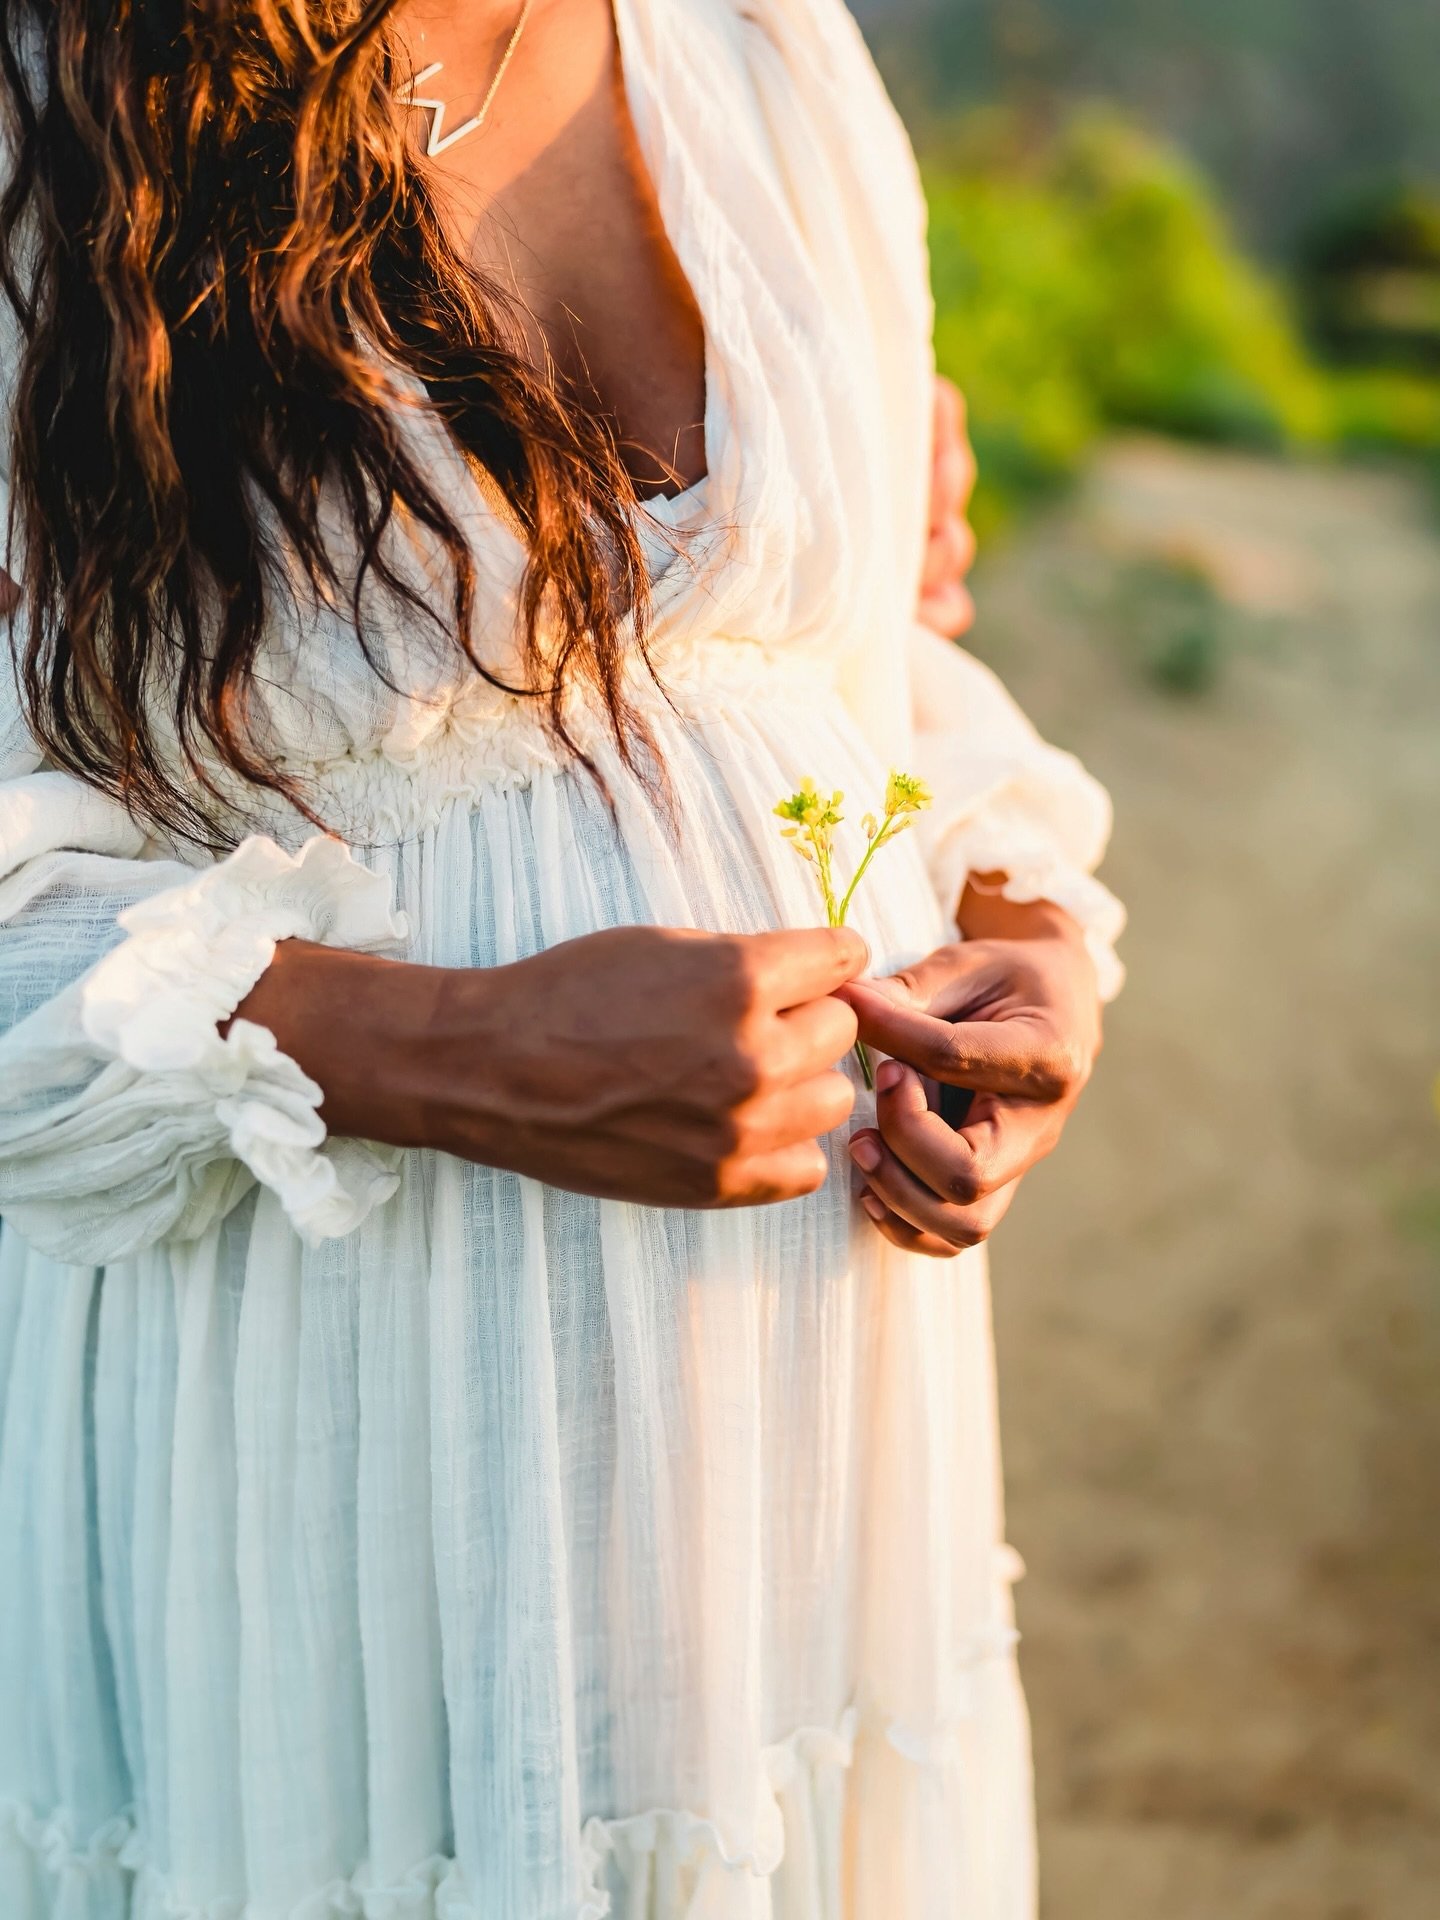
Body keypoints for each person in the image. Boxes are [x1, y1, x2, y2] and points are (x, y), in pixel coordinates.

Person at [0, 2, 1124, 1915]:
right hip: (319, 1434)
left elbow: (845, 668)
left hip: (806, 1432)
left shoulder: (761, 47)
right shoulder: (50, 102)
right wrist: (445, 1050)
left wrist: (1014, 933)